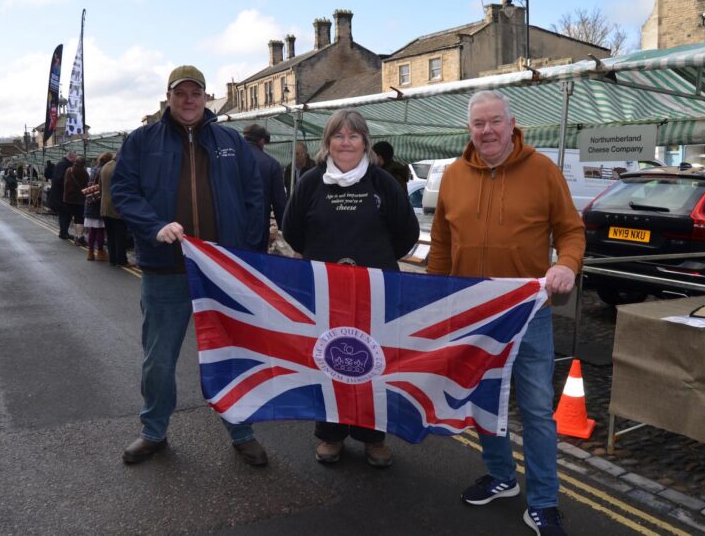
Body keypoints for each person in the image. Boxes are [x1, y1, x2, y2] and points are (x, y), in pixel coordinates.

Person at [428, 90, 584, 536]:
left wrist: (566, 264)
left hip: (528, 313)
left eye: (495, 121)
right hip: (473, 314)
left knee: (535, 409)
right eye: (479, 123)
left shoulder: (543, 170)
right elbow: (441, 243)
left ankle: (544, 502)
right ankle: (501, 476)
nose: (488, 130)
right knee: (482, 403)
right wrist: (433, 297)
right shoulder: (454, 176)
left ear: (512, 124)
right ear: (469, 129)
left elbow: (571, 231)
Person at [111, 65, 268, 467]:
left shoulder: (230, 141)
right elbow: (123, 191)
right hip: (166, 268)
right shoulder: (143, 141)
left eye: (195, 93)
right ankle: (153, 431)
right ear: (168, 97)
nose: (188, 100)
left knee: (232, 353)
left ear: (205, 96)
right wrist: (154, 226)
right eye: (180, 93)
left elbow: (254, 197)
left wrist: (247, 254)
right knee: (159, 358)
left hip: (222, 270)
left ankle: (242, 430)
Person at [282, 109, 419, 468]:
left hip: (375, 293)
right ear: (327, 143)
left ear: (364, 142)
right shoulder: (311, 182)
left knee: (372, 361)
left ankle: (373, 437)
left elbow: (407, 231)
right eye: (338, 136)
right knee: (329, 359)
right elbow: (292, 229)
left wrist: (378, 261)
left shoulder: (381, 182)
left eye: (353, 136)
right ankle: (331, 434)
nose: (346, 142)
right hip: (325, 292)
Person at [243, 124, 287, 251]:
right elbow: (279, 202)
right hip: (258, 227)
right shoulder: (271, 164)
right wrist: (285, 229)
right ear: (262, 141)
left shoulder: (231, 159)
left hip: (232, 225)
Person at [99, 153, 130, 267]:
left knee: (110, 235)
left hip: (105, 206)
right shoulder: (119, 168)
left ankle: (112, 259)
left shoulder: (105, 167)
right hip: (117, 207)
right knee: (120, 235)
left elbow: (100, 187)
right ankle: (121, 260)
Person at [82, 153, 112, 261]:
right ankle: (100, 252)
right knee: (100, 230)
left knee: (92, 230)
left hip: (90, 201)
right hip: (98, 202)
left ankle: (90, 253)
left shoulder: (94, 169)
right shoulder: (103, 170)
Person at [50, 152, 76, 239]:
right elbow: (59, 179)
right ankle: (64, 233)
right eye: (75, 158)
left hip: (58, 194)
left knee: (63, 214)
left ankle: (63, 232)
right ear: (71, 158)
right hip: (62, 195)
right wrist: (69, 186)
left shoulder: (61, 163)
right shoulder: (65, 165)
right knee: (66, 214)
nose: (75, 160)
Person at [63, 156, 89, 246]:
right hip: (79, 199)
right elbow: (87, 185)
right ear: (83, 164)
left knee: (75, 218)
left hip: (68, 199)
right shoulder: (84, 173)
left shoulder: (68, 170)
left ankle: (76, 236)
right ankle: (80, 237)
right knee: (80, 219)